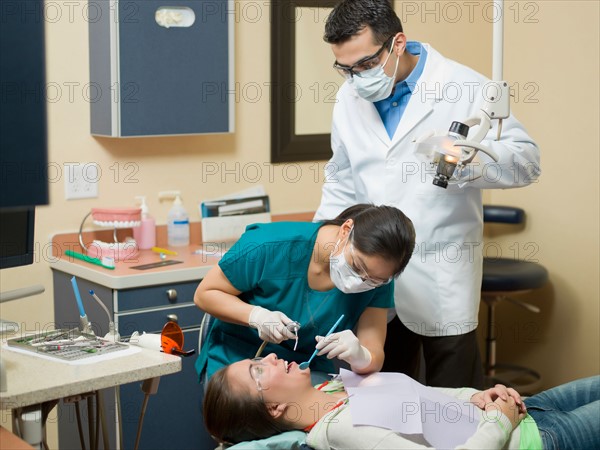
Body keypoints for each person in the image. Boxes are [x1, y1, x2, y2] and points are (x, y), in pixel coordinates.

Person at [314, 0, 542, 389]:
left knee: (454, 405)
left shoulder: (466, 86)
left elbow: (527, 162)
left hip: (441, 273)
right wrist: (323, 245)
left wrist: (465, 162)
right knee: (382, 396)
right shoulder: (349, 98)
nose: (357, 78)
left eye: (366, 65)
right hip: (374, 277)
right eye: (346, 69)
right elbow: (341, 178)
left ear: (397, 43)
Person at [194, 204, 415, 382]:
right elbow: (205, 293)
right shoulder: (269, 245)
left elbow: (374, 354)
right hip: (240, 363)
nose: (360, 281)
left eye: (374, 279)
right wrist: (256, 316)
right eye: (357, 266)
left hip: (306, 372)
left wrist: (361, 355)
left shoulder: (378, 280)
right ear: (346, 230)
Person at [203, 353, 600, 449]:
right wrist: (499, 420)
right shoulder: (342, 430)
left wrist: (479, 395)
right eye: (259, 371)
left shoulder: (332, 390)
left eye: (258, 358)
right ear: (273, 409)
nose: (270, 358)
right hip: (539, 438)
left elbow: (424, 399)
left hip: (532, 407)